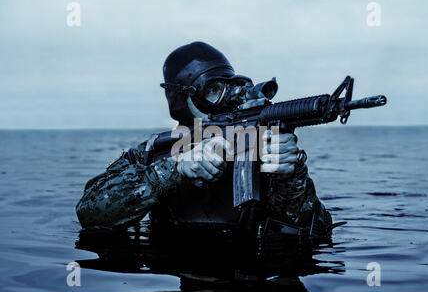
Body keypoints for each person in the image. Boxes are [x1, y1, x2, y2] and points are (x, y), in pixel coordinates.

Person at [75, 42, 333, 247]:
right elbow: (89, 212)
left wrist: (291, 177)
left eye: (231, 88)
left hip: (251, 275)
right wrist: (173, 170)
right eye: (213, 90)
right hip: (173, 268)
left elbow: (315, 235)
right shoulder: (155, 152)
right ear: (181, 99)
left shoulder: (259, 145)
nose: (226, 100)